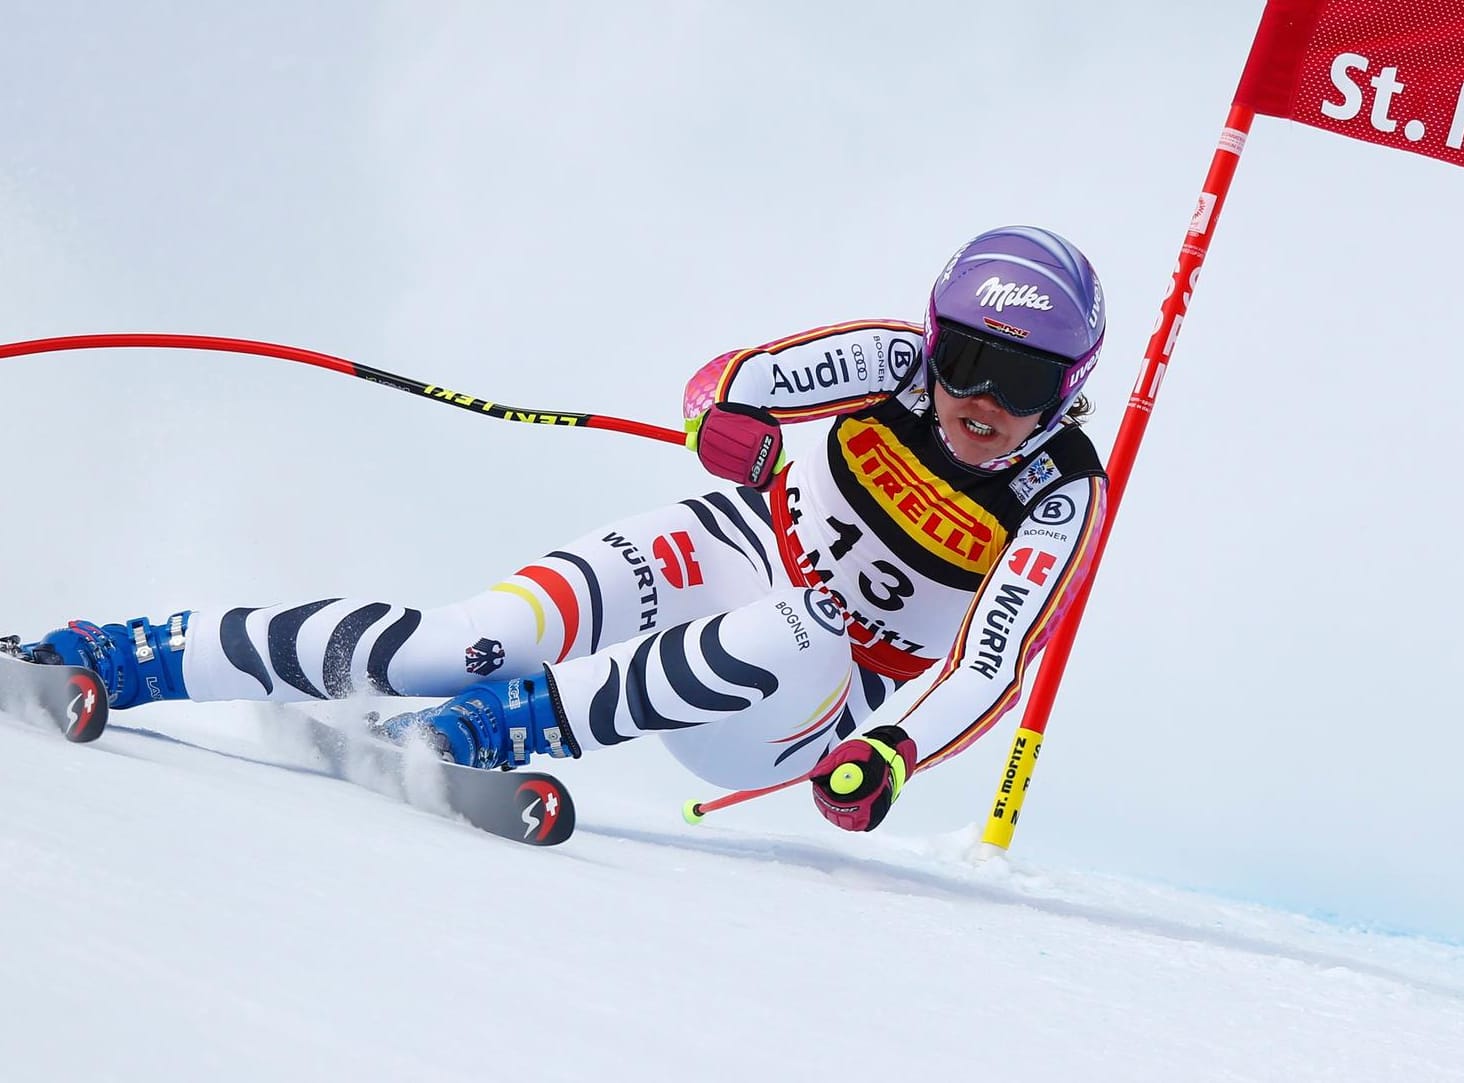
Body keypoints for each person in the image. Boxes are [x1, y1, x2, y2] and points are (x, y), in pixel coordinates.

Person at [16, 225, 1109, 832]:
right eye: (966, 358)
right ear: (932, 336)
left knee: (806, 624)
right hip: (735, 544)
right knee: (449, 644)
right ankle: (117, 653)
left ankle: (491, 731)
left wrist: (892, 753)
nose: (981, 400)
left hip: (803, 700)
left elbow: (994, 663)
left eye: (1020, 381)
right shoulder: (887, 361)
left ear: (1070, 388)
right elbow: (720, 383)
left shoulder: (1058, 494)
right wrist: (721, 428)